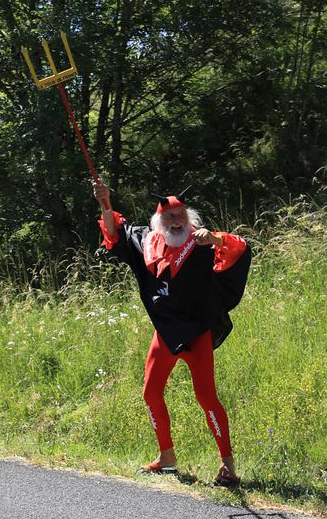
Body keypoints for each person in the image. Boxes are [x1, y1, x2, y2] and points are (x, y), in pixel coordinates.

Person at [94, 181, 251, 486]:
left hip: (196, 331)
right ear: (159, 223)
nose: (175, 221)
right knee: (150, 392)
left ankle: (228, 466)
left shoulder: (202, 242)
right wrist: (105, 202)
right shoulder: (147, 242)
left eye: (180, 215)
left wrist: (216, 239)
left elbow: (239, 247)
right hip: (165, 332)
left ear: (189, 218)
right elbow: (116, 231)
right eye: (169, 217)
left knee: (206, 397)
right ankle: (167, 458)